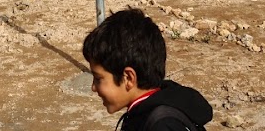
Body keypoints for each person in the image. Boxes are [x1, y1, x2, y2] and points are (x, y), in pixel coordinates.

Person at [81, 7, 213, 131]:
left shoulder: (162, 126)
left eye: (98, 78)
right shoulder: (147, 109)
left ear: (128, 78)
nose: (93, 87)